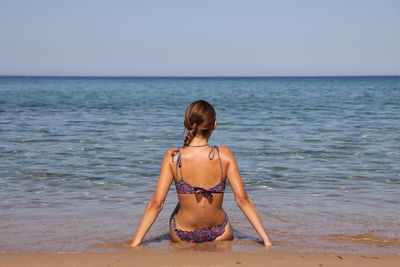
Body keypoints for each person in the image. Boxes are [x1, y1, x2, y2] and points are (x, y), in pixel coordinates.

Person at [129, 100, 272, 247]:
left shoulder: (173, 156)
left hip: (182, 235)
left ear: (187, 124)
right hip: (220, 233)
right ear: (214, 125)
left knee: (181, 204)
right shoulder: (224, 154)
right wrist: (266, 240)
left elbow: (156, 204)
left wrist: (135, 242)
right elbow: (243, 199)